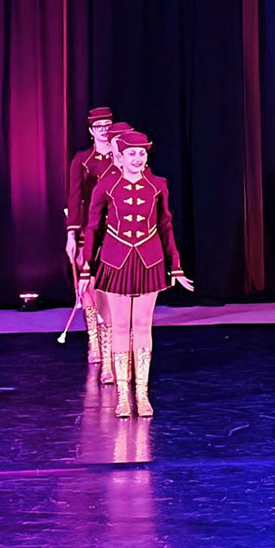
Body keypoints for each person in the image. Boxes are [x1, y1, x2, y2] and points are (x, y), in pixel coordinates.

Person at [79, 124, 192, 417]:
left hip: (149, 260)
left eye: (141, 153)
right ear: (120, 156)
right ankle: (122, 397)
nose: (137, 159)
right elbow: (92, 228)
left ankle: (142, 394)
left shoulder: (158, 185)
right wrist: (86, 268)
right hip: (115, 261)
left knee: (142, 326)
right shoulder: (106, 185)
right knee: (120, 327)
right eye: (131, 154)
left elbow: (166, 226)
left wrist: (176, 266)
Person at [67, 107, 125, 376]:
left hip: (117, 227)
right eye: (99, 127)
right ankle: (93, 341)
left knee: (111, 286)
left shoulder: (122, 156)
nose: (104, 130)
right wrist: (71, 233)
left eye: (107, 125)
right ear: (91, 131)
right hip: (89, 228)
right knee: (89, 285)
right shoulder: (83, 160)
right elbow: (74, 198)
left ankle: (111, 341)